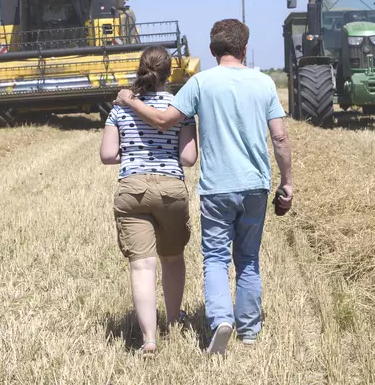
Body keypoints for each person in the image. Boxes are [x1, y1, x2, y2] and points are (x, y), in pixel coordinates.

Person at [116, 19, 293, 356]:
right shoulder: (264, 83)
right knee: (248, 259)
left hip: (216, 188)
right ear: (243, 49)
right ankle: (251, 330)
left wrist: (130, 100)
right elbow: (280, 137)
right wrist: (286, 182)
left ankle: (221, 320)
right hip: (256, 184)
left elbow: (163, 120)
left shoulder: (200, 84)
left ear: (212, 52)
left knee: (214, 258)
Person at [99, 46, 198, 356]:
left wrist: (133, 155)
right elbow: (189, 157)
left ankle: (149, 340)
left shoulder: (120, 108)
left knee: (142, 266)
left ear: (140, 69)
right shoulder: (179, 109)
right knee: (171, 258)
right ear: (169, 73)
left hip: (132, 190)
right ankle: (172, 320)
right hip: (171, 190)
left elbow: (107, 155)